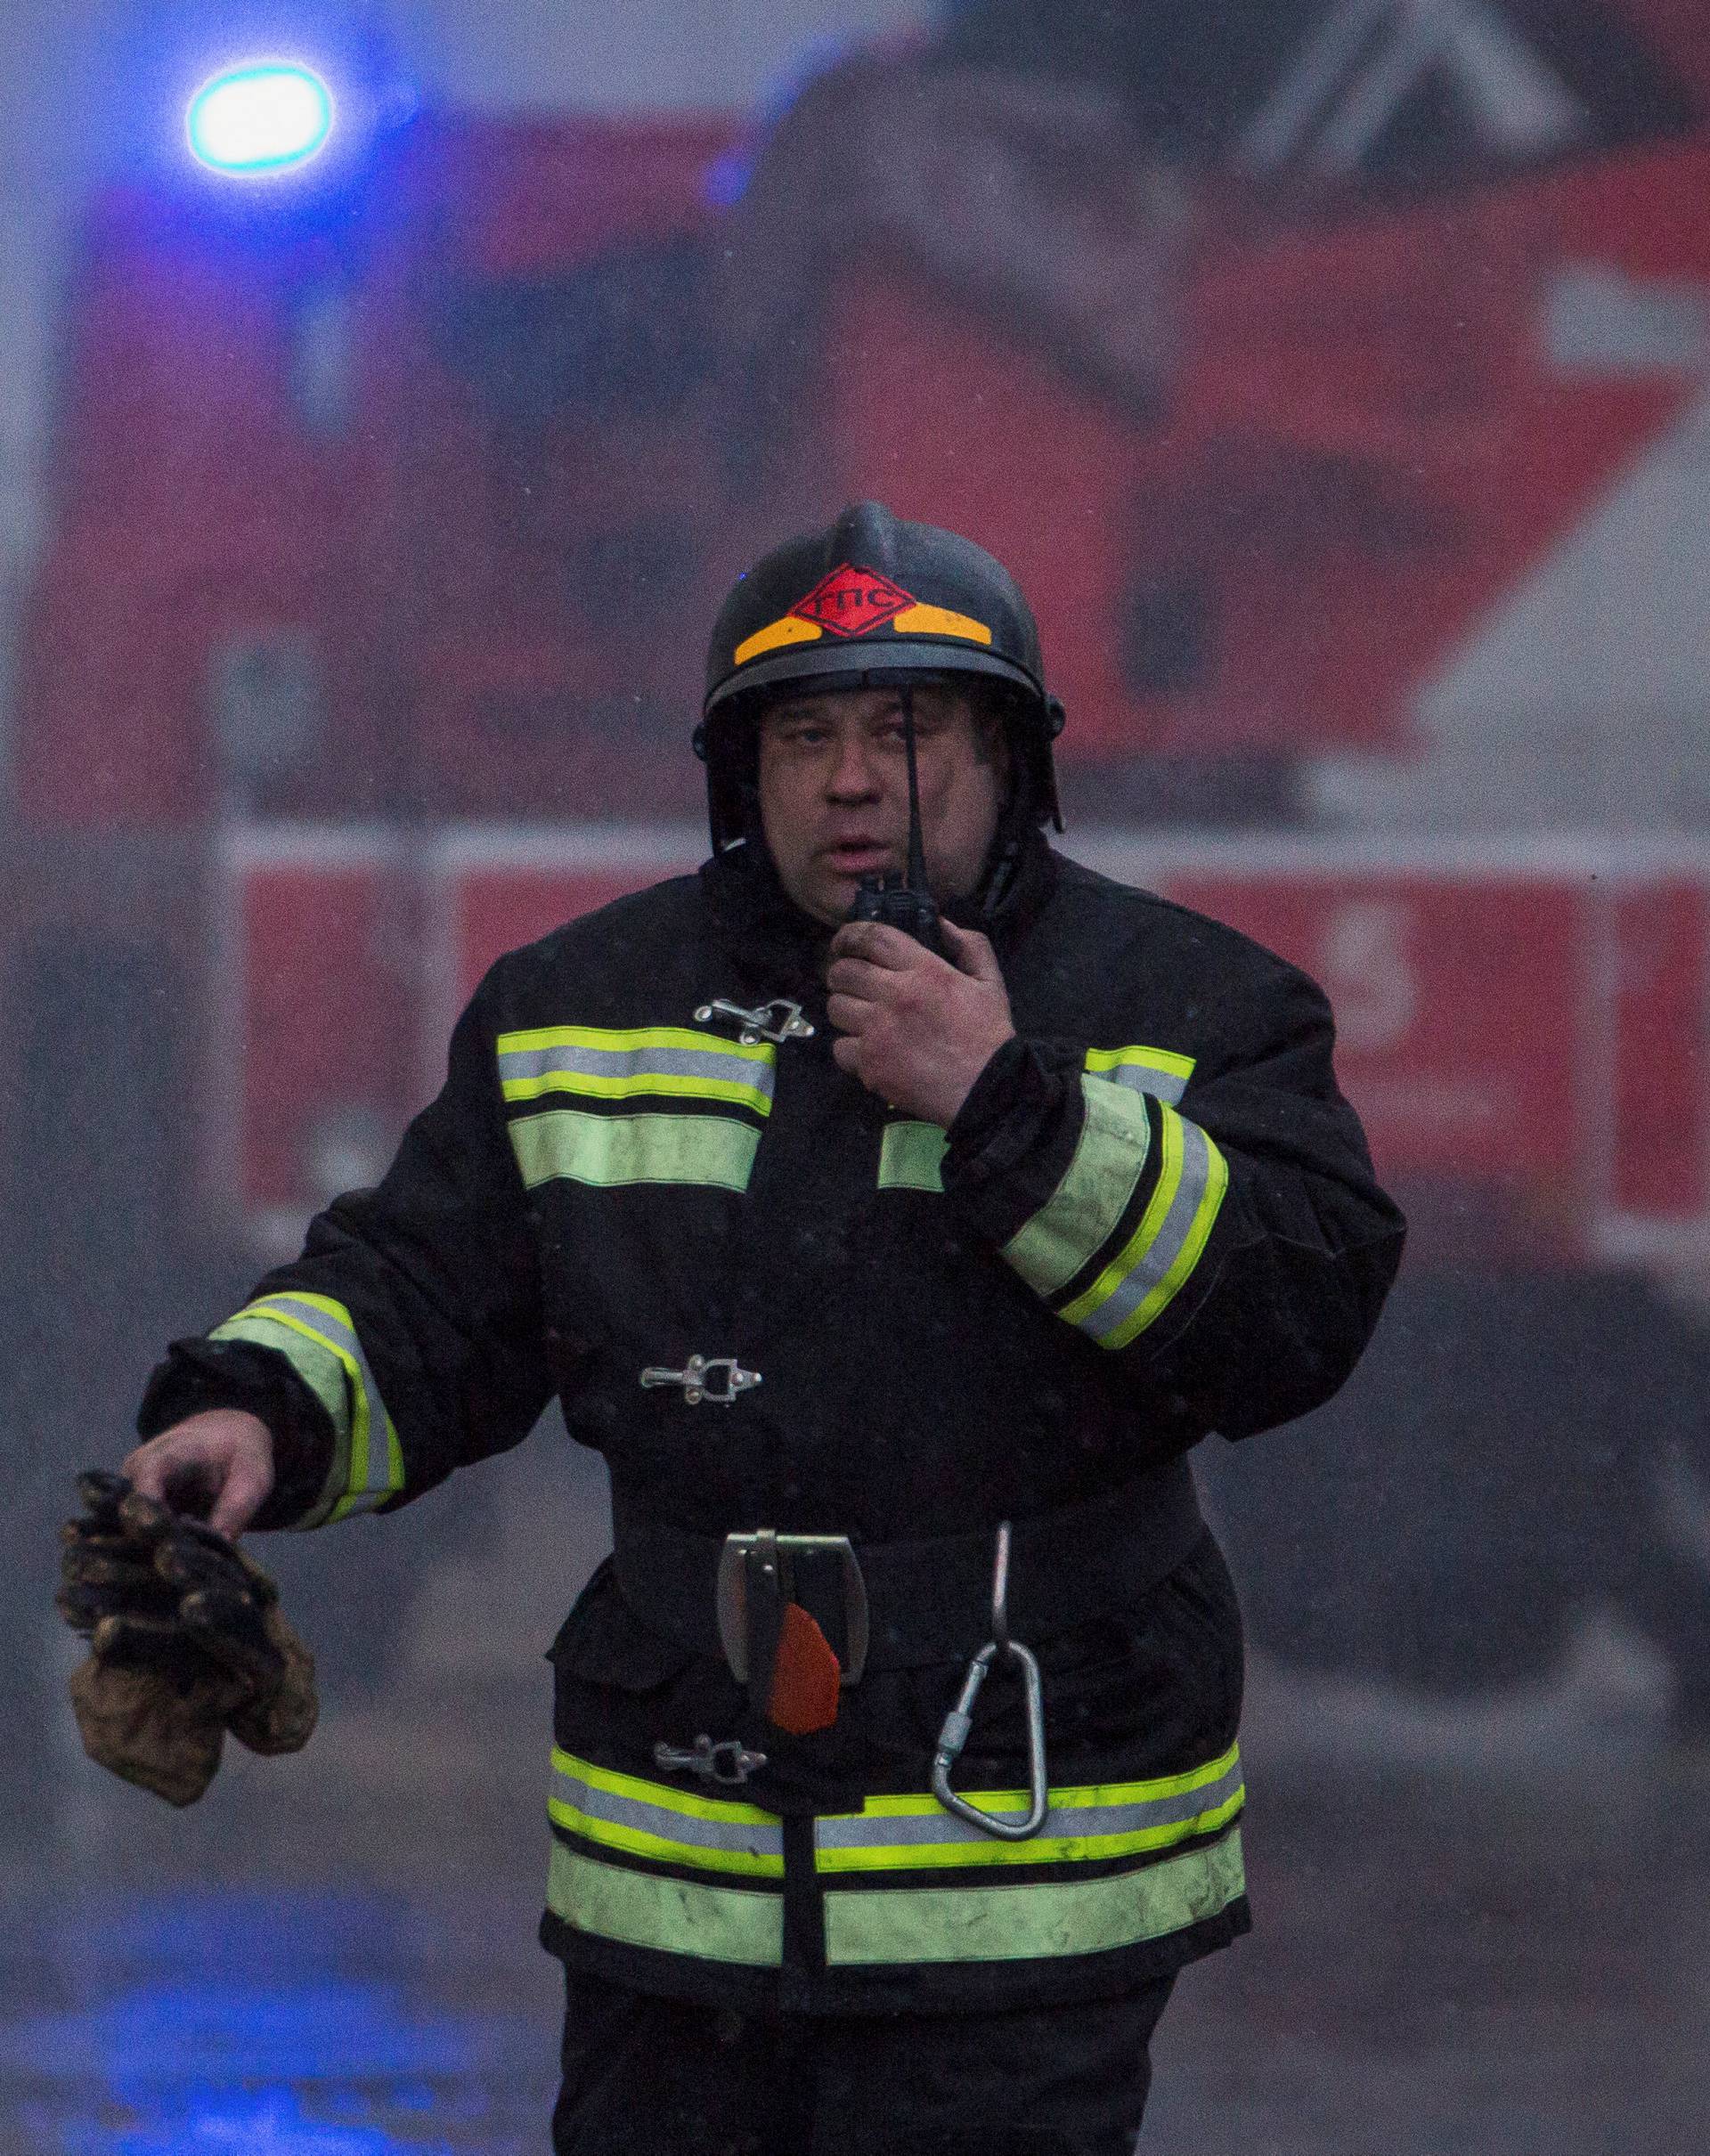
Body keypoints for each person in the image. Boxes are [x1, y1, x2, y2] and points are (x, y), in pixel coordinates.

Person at [125, 501, 1405, 2154]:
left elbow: (1292, 1316)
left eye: (906, 725)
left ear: (1006, 752)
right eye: (807, 734)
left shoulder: (1196, 1008)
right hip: (683, 1870)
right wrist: (263, 1414)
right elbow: (425, 1294)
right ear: (743, 775)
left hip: (1017, 1859)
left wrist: (1008, 1105)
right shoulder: (575, 1005)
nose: (856, 777)